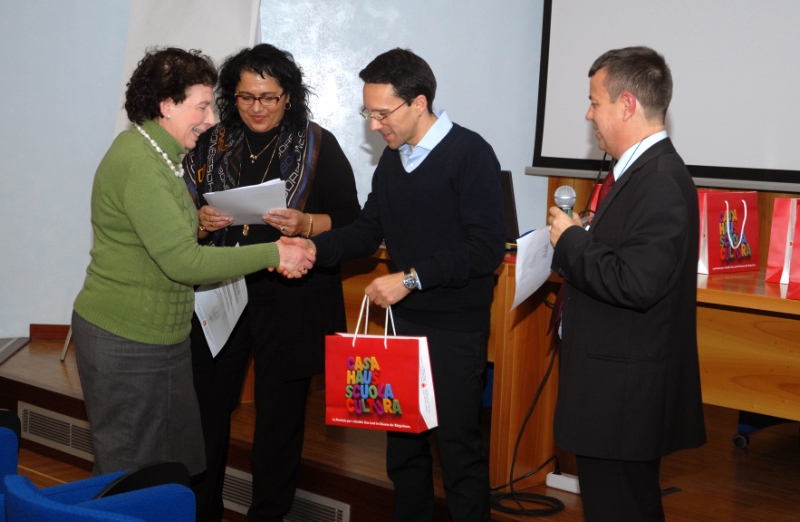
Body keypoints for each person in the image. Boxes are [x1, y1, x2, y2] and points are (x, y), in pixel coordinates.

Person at [283, 48, 506, 522]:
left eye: (382, 114)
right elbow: (368, 231)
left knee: (458, 454)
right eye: (368, 113)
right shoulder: (392, 161)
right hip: (402, 330)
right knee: (403, 453)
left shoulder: (470, 154)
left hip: (454, 329)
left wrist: (410, 279)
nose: (374, 126)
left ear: (419, 103)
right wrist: (312, 248)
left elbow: (486, 249)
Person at [71, 48, 314, 481]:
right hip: (126, 340)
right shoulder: (140, 163)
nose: (209, 118)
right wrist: (275, 253)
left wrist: (201, 225)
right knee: (129, 477)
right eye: (201, 107)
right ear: (167, 105)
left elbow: (169, 240)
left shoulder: (160, 157)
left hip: (162, 339)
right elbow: (183, 262)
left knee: (170, 468)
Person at [182, 43, 360, 522]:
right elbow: (178, 217)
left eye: (269, 97)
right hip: (220, 289)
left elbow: (351, 220)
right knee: (207, 409)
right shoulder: (209, 143)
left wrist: (307, 224)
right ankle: (202, 511)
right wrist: (199, 222)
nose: (257, 108)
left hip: (290, 296)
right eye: (246, 97)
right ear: (231, 97)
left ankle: (268, 514)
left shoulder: (317, 144)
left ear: (289, 96)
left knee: (279, 419)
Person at [546, 46, 706, 521]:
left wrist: (572, 241)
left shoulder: (659, 181)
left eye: (595, 102)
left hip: (623, 399)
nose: (588, 114)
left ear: (627, 105)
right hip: (612, 391)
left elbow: (636, 282)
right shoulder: (638, 173)